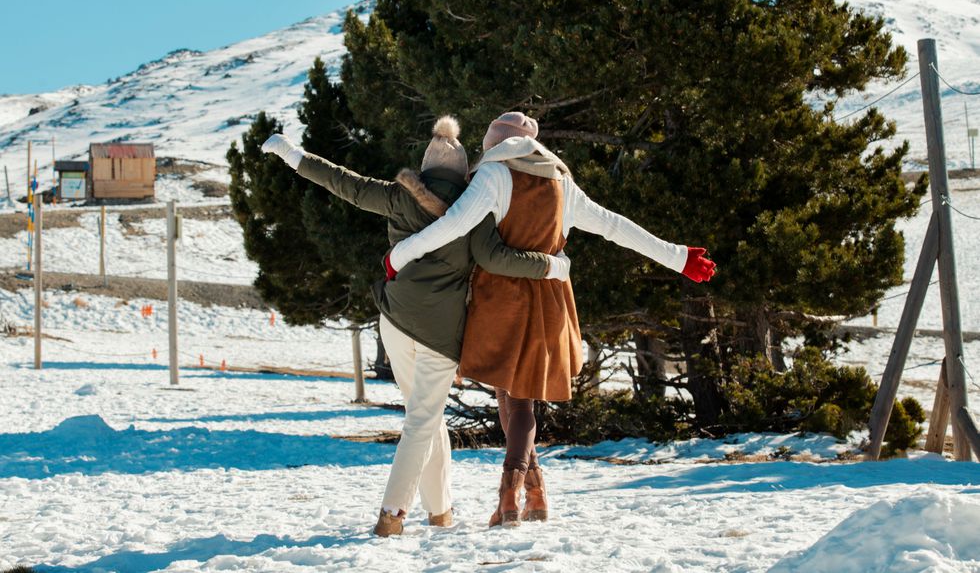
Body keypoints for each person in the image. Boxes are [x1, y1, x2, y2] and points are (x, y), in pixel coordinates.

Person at [386, 111, 716, 527]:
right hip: (549, 298)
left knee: (516, 396)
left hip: (501, 299)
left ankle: (510, 496)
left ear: (493, 145)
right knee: (514, 394)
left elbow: (453, 226)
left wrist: (399, 255)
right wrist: (676, 256)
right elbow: (614, 225)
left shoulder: (493, 177)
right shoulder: (561, 181)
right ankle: (535, 494)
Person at [261, 117, 570, 537]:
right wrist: (551, 266)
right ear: (464, 175)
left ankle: (441, 511)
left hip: (394, 321)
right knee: (422, 421)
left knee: (426, 416)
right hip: (440, 336)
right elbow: (499, 258)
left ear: (423, 171)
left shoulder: (396, 197)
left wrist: (292, 154)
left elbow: (341, 182)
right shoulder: (473, 209)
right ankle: (392, 514)